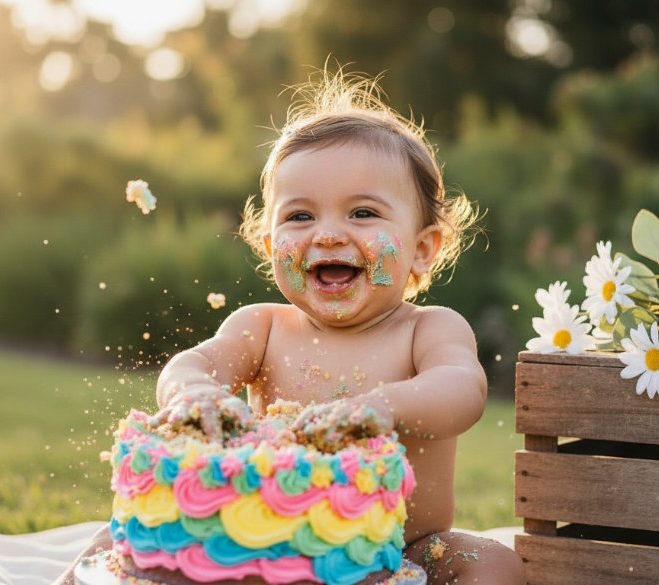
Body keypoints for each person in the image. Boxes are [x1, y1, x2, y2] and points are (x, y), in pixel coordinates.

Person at [57, 69, 525, 585]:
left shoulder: (427, 329)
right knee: (119, 538)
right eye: (300, 217)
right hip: (259, 549)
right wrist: (196, 394)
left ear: (421, 248)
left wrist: (380, 408)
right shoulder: (262, 327)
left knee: (492, 562)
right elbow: (193, 364)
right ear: (268, 245)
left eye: (362, 212)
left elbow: (463, 389)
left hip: (398, 554)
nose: (327, 234)